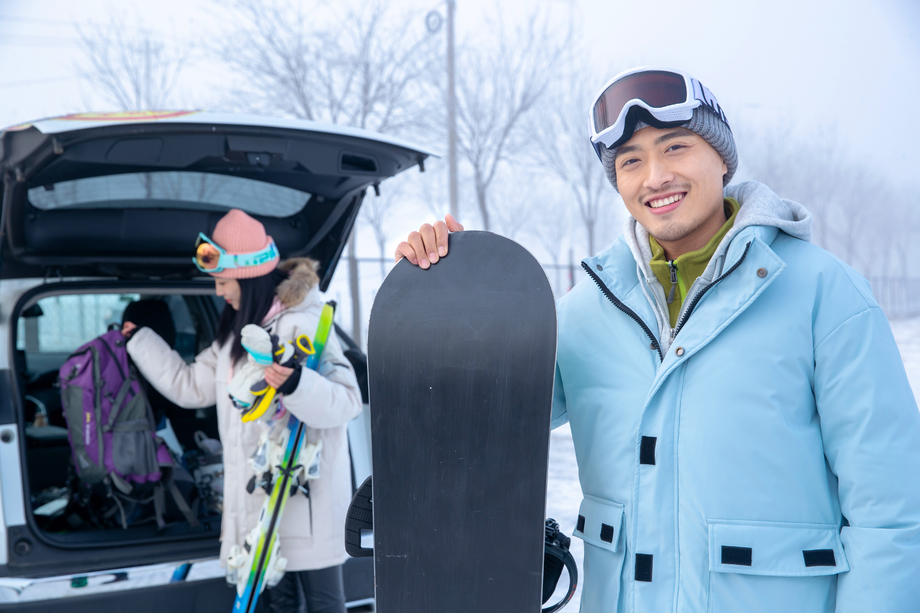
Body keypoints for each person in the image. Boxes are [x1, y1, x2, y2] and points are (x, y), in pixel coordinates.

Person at [395, 67, 920, 612]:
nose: (656, 177)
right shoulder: (585, 309)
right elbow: (485, 418)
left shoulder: (822, 294)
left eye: (675, 148)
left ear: (722, 158)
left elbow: (892, 511)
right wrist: (458, 299)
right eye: (630, 161)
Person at [124, 209, 362, 613]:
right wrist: (140, 341)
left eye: (223, 282)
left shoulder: (304, 324)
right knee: (278, 603)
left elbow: (346, 402)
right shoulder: (237, 336)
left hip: (306, 503)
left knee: (323, 603)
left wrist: (296, 384)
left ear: (248, 278)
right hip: (258, 504)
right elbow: (190, 386)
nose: (218, 292)